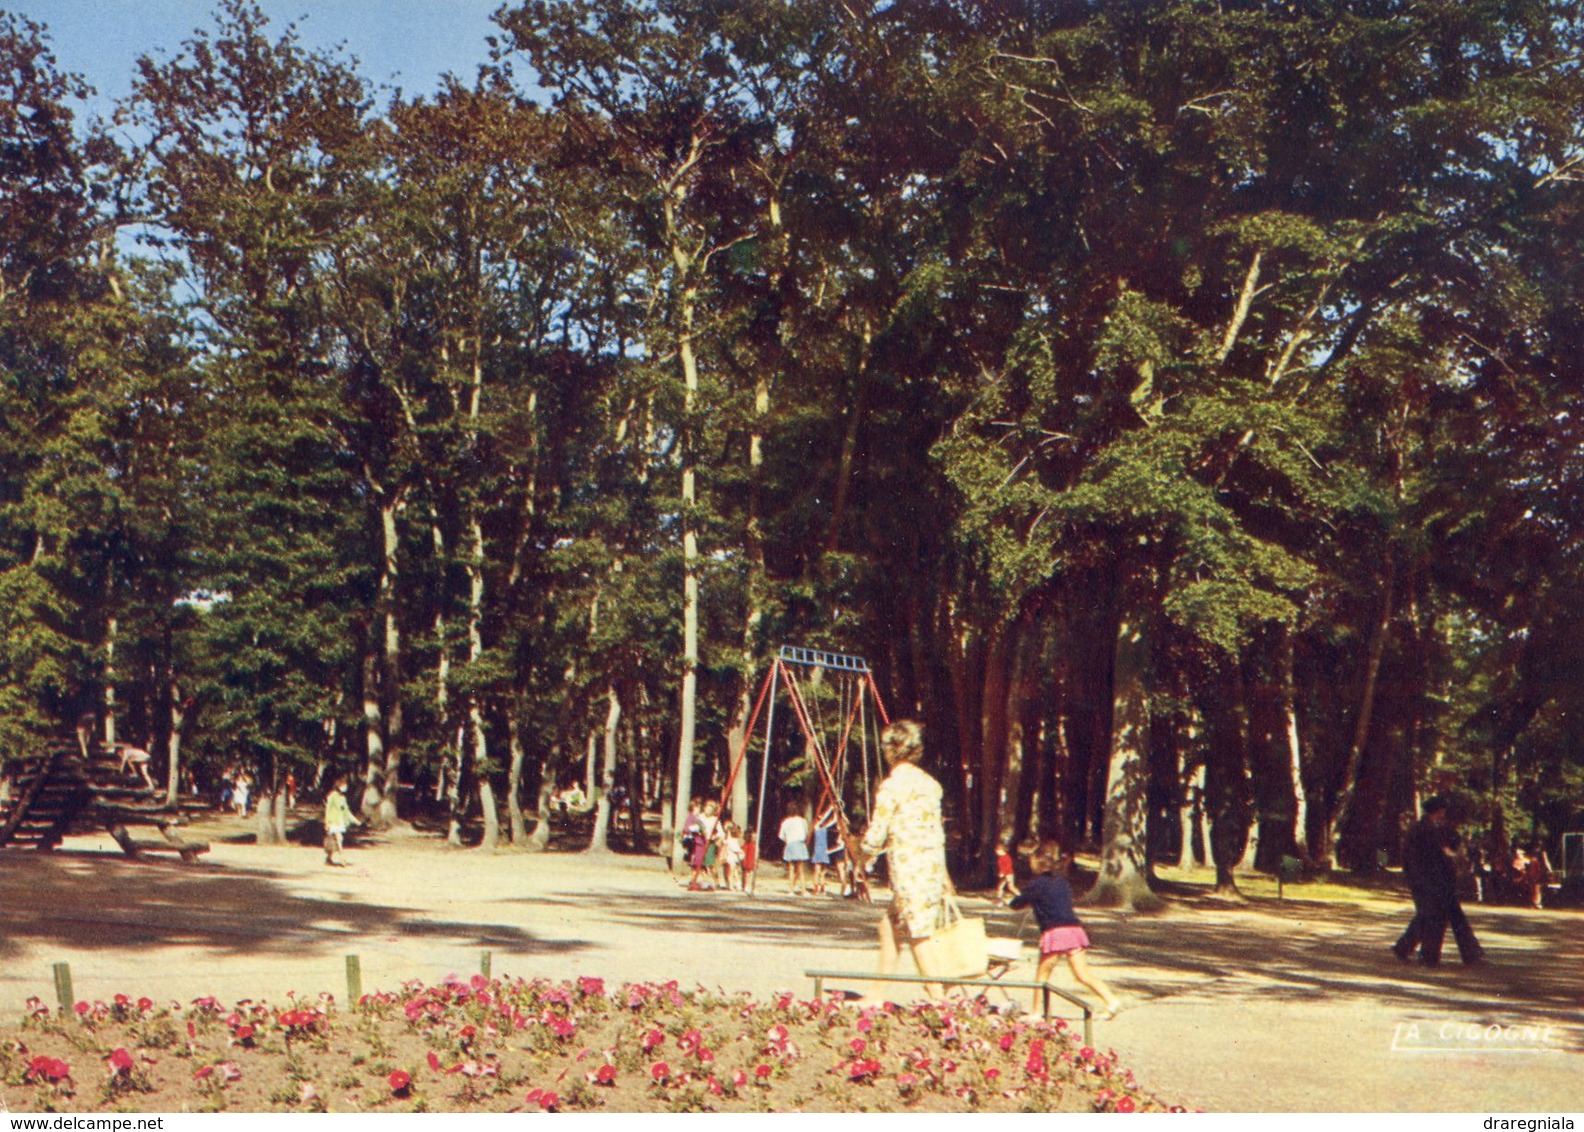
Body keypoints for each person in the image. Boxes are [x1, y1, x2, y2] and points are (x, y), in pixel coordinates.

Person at [858, 720, 950, 994]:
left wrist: (862, 856)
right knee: (888, 926)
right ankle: (876, 995)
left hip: (909, 871)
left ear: (890, 749)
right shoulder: (930, 784)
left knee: (919, 936)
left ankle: (941, 1005)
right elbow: (936, 830)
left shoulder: (891, 786)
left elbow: (877, 833)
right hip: (930, 868)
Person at [1012, 842, 1126, 1019]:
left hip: (1055, 933)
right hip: (1074, 930)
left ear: (1037, 863)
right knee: (1082, 974)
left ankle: (1036, 1012)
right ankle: (1111, 1000)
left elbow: (1017, 904)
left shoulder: (1036, 884)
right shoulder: (1062, 882)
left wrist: (1012, 901)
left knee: (1042, 975)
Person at [1393, 797, 1484, 967]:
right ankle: (1429, 955)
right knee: (1435, 916)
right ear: (1440, 811)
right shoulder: (1427, 830)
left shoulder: (1427, 828)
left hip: (1433, 880)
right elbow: (1435, 856)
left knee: (1433, 916)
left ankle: (1412, 950)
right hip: (1432, 880)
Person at [323, 775, 359, 867]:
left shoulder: (342, 797)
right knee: (339, 839)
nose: (345, 787)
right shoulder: (332, 796)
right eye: (344, 785)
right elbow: (328, 809)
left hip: (340, 822)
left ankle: (328, 858)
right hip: (333, 821)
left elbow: (346, 810)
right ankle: (342, 858)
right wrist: (326, 822)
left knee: (336, 840)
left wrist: (354, 820)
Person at [778, 808, 811, 895]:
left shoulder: (785, 822)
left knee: (791, 868)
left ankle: (791, 890)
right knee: (800, 869)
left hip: (790, 844)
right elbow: (806, 833)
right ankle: (803, 890)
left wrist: (788, 840)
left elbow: (781, 835)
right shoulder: (802, 821)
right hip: (800, 843)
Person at [995, 837, 1020, 905]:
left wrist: (1003, 872)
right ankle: (998, 900)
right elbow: (1001, 866)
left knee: (1011, 887)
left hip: (1009, 874)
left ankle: (1021, 897)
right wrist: (1001, 872)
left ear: (1002, 850)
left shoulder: (1007, 857)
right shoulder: (1000, 858)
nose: (996, 852)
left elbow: (1008, 866)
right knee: (1000, 887)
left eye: (997, 850)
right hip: (1004, 874)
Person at [722, 821, 746, 891]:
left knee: (733, 872)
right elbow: (735, 849)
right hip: (731, 859)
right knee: (731, 872)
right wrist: (741, 852)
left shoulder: (731, 840)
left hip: (732, 859)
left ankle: (734, 884)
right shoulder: (732, 840)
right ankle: (730, 885)